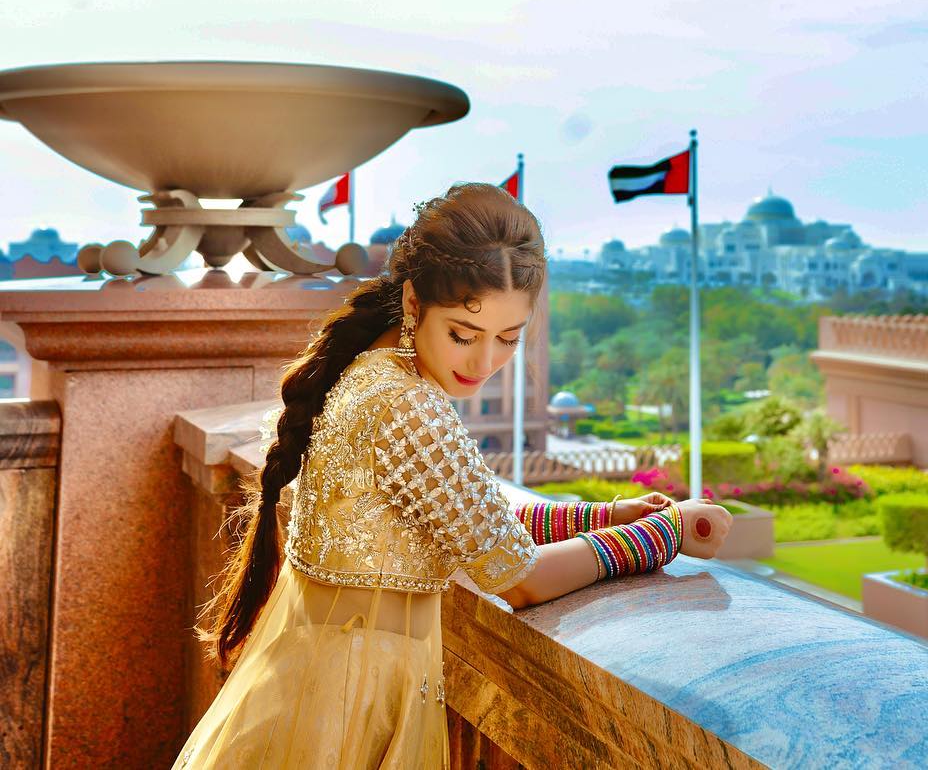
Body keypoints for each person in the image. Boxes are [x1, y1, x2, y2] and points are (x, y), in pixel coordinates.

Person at [173, 181, 732, 768]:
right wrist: (662, 535)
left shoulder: (371, 370)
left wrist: (599, 515)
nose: (484, 362)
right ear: (414, 303)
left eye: (507, 340)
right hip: (350, 701)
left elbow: (468, 517)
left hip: (325, 677)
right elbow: (517, 578)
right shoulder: (407, 403)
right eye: (464, 335)